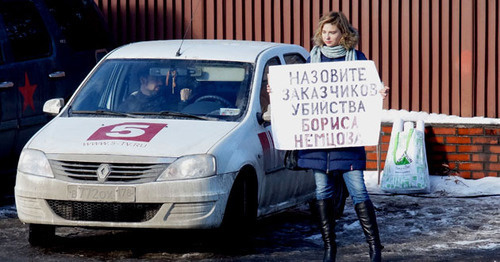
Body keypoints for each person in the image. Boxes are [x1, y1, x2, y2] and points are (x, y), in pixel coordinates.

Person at [299, 12, 388, 262]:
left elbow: (368, 89)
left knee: (359, 191)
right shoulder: (311, 59)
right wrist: (279, 90)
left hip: (347, 138)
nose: (327, 37)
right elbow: (298, 92)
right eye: (324, 32)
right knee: (322, 192)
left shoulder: (357, 59)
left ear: (343, 34)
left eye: (333, 32)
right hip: (318, 141)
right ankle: (330, 248)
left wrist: (378, 92)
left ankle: (374, 248)